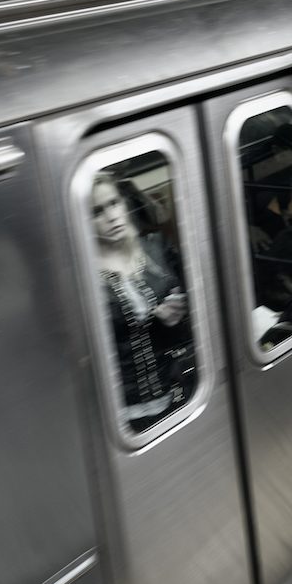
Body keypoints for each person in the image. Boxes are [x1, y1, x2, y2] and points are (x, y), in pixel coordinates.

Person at [90, 172, 196, 432]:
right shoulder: (84, 279)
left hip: (181, 384)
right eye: (97, 211)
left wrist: (179, 314)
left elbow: (200, 300)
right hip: (123, 411)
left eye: (114, 203)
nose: (111, 216)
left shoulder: (155, 248)